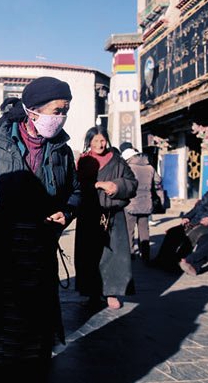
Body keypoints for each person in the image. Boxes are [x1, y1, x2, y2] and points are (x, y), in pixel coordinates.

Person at [0, 76, 81, 381]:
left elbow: (76, 191)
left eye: (65, 111)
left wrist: (67, 211)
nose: (61, 117)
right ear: (33, 110)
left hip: (37, 261)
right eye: (57, 110)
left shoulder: (63, 151)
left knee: (30, 340)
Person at [74, 126, 137, 310]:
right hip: (89, 215)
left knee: (114, 256)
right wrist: (97, 184)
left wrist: (117, 186)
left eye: (102, 140)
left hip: (112, 215)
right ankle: (92, 293)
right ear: (89, 142)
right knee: (90, 255)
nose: (99, 144)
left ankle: (111, 292)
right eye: (95, 141)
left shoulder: (117, 161)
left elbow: (132, 183)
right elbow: (75, 184)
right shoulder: (84, 161)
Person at [153, 170, 208, 271]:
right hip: (196, 221)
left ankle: (178, 262)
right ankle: (162, 259)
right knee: (174, 232)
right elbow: (197, 208)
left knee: (193, 235)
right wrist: (187, 217)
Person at [121, 143, 159, 262]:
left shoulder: (128, 167)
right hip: (146, 203)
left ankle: (130, 254)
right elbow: (158, 181)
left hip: (131, 204)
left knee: (129, 230)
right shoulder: (150, 167)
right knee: (144, 230)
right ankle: (146, 255)